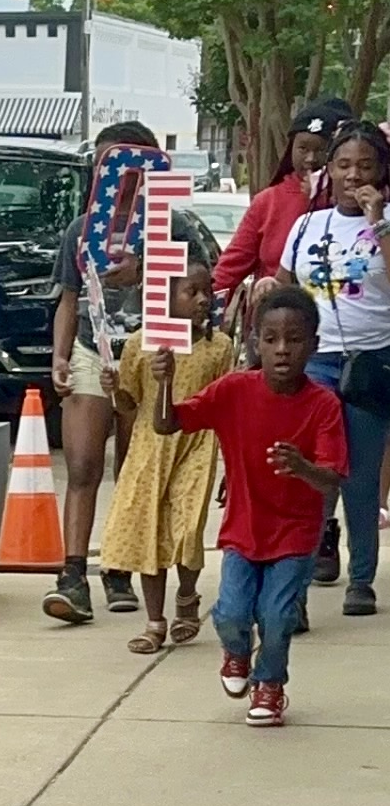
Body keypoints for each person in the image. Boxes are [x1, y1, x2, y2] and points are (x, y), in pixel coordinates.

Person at [152, 287, 347, 726]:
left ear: (313, 346)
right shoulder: (234, 390)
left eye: (294, 340)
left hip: (296, 533)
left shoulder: (323, 405)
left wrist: (301, 467)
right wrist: (163, 382)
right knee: (233, 612)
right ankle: (235, 652)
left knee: (278, 615)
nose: (282, 350)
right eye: (271, 338)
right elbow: (168, 423)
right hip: (243, 527)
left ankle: (270, 684)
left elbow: (333, 476)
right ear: (255, 342)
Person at [45, 121, 209, 625]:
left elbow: (201, 289)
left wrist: (147, 268)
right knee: (84, 462)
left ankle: (119, 564)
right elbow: (68, 299)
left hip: (155, 353)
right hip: (97, 350)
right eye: (105, 166)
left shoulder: (175, 225)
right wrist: (60, 353)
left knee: (136, 465)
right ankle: (73, 574)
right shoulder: (82, 229)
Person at [277, 119, 390, 615]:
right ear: (330, 170)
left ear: (381, 172)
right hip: (315, 363)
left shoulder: (387, 220)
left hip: (372, 362)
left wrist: (378, 220)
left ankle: (361, 579)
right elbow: (284, 288)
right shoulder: (308, 225)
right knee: (311, 474)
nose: (352, 174)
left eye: (364, 165)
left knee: (361, 478)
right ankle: (296, 584)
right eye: (343, 164)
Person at [99, 265, 232, 653]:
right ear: (167, 299)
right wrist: (113, 390)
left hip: (196, 444)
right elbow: (129, 402)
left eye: (207, 291)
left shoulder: (218, 346)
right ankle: (155, 620)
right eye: (192, 292)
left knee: (188, 527)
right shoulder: (142, 345)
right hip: (149, 448)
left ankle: (187, 597)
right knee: (150, 529)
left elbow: (225, 402)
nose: (204, 299)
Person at [211, 98, 346, 316]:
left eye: (321, 150)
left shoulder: (354, 205)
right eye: (302, 148)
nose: (310, 159)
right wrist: (203, 311)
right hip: (273, 328)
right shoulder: (267, 201)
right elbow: (229, 269)